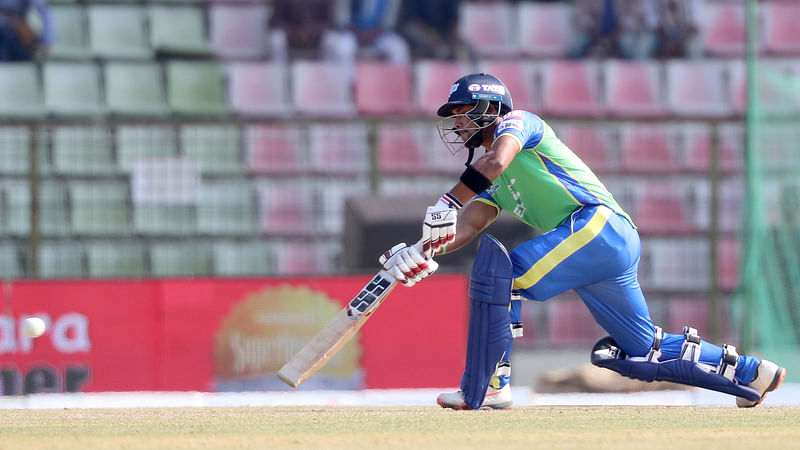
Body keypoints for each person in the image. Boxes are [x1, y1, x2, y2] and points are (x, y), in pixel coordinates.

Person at [378, 72, 787, 410]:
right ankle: (752, 371)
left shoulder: (519, 122)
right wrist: (423, 249)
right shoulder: (488, 183)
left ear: (491, 108)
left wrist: (448, 200)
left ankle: (487, 386)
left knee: (504, 276)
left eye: (464, 113)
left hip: (597, 226)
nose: (458, 123)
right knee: (641, 351)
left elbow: (497, 160)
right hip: (603, 244)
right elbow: (467, 228)